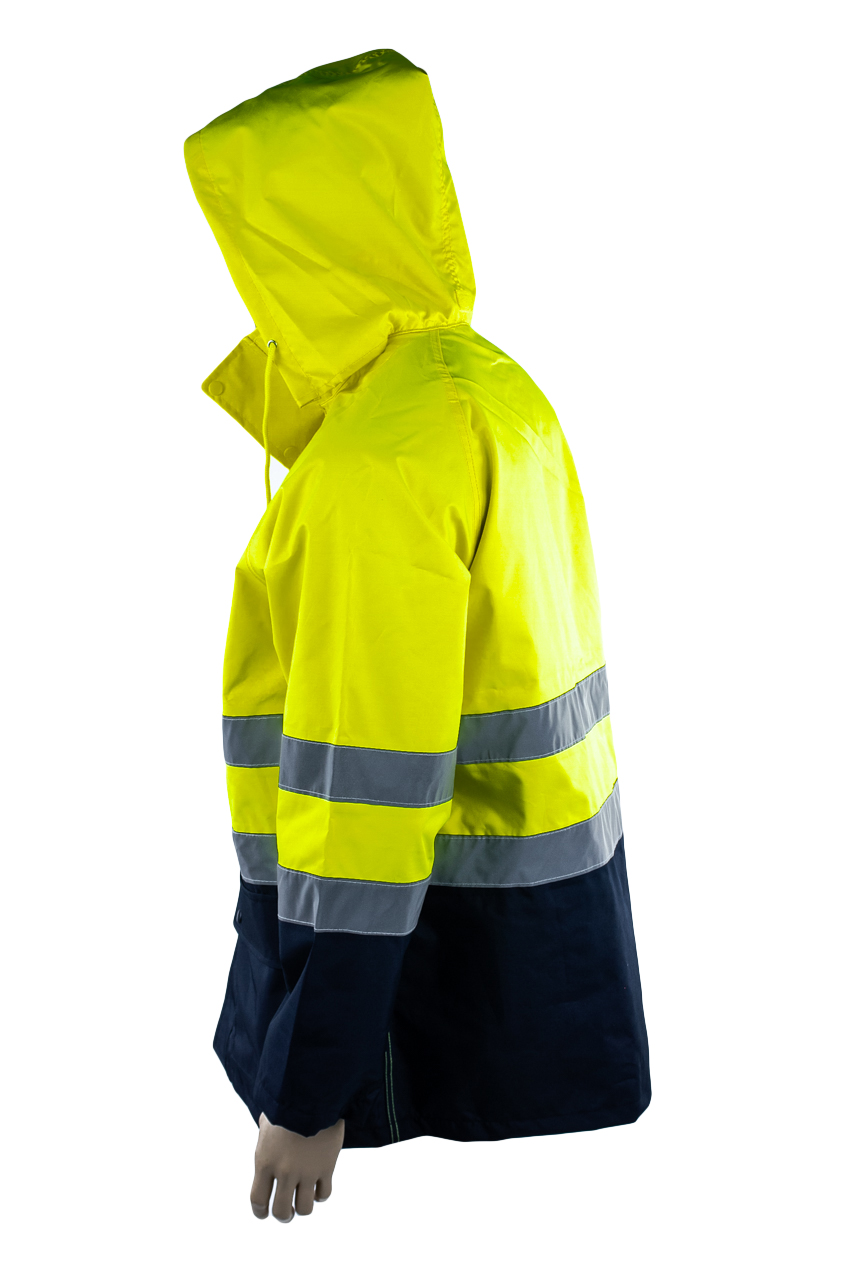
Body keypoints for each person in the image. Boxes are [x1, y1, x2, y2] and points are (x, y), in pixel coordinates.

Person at [185, 47, 650, 1224]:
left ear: (303, 250)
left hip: (416, 1000)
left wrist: (310, 1083)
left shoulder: (378, 467)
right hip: (531, 959)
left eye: (255, 251)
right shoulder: (491, 392)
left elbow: (365, 802)